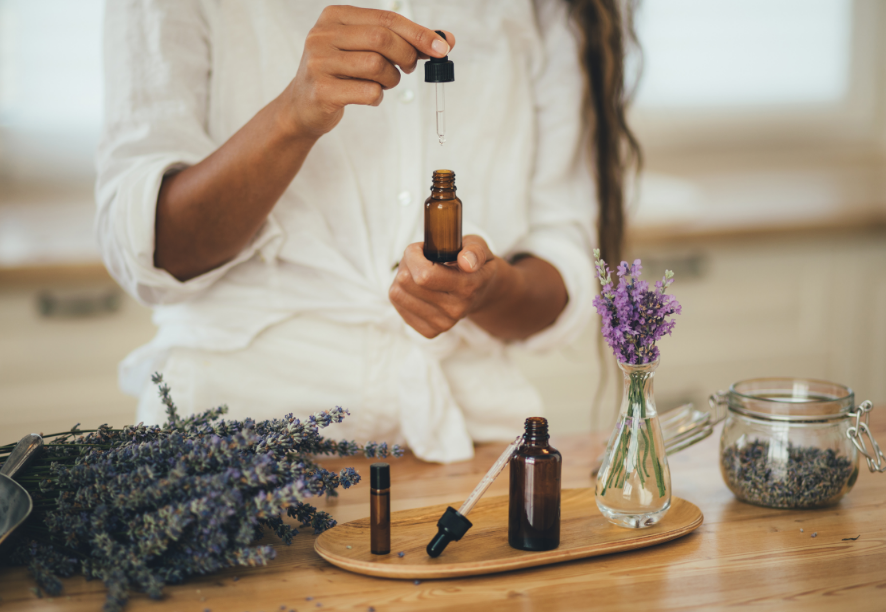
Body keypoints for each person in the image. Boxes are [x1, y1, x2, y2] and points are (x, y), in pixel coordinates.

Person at [96, 0, 640, 463]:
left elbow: (562, 266)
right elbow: (151, 250)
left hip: (465, 437)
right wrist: (292, 115)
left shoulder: (547, 10)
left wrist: (488, 288)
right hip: (237, 438)